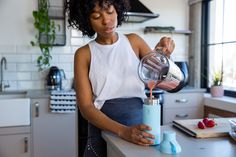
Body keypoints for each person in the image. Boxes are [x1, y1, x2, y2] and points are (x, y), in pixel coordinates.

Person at [65, 0, 175, 156]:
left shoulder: (134, 41)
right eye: (96, 16)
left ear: (117, 10)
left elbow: (161, 77)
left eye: (110, 12)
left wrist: (164, 53)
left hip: (140, 128)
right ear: (87, 20)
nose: (106, 21)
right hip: (104, 130)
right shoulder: (84, 54)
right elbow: (86, 108)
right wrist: (123, 131)